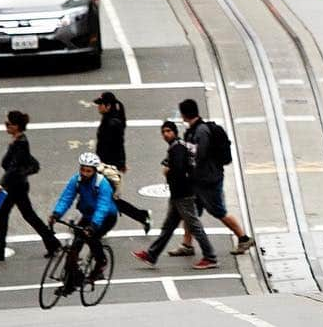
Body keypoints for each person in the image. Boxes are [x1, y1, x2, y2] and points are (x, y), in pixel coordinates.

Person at [171, 99, 253, 256]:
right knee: (190, 212)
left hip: (208, 180)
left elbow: (199, 155)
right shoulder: (195, 130)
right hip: (200, 179)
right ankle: (187, 245)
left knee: (218, 211)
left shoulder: (200, 131)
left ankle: (243, 238)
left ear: (184, 114)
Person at [133, 119, 217, 269]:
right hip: (178, 194)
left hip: (183, 194)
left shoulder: (177, 148)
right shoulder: (177, 146)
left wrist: (168, 172)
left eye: (168, 131)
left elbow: (178, 170)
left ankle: (210, 257)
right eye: (163, 132)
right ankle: (152, 255)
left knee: (194, 226)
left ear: (175, 132)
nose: (166, 134)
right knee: (168, 227)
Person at [0, 110, 60, 262]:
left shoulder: (21, 143)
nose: (5, 126)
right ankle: (52, 243)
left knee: (7, 216)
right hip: (17, 185)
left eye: (8, 124)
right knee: (27, 215)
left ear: (17, 126)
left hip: (16, 186)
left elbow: (14, 167)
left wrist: (2, 185)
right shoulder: (18, 141)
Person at [49, 153, 117, 278]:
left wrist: (93, 225)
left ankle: (101, 262)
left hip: (106, 217)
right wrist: (56, 213)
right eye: (82, 170)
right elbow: (66, 198)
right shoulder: (76, 180)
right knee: (75, 244)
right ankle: (71, 274)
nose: (84, 173)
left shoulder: (103, 184)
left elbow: (102, 207)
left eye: (88, 171)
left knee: (92, 237)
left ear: (95, 171)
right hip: (88, 214)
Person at [94, 91, 151, 233]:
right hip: (104, 164)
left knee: (108, 198)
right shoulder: (109, 119)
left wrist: (120, 163)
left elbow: (119, 144)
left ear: (108, 106)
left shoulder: (113, 123)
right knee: (105, 197)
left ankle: (142, 216)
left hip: (108, 166)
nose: (98, 107)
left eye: (100, 104)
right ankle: (142, 216)